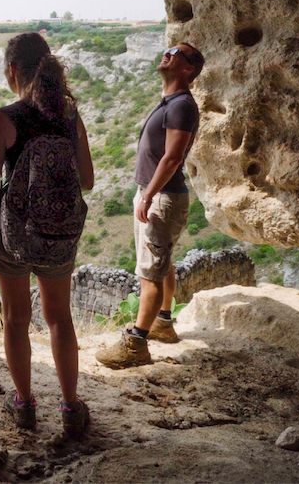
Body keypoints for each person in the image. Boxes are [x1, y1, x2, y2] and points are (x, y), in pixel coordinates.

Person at [0, 32, 94, 436]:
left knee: (15, 319)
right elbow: (88, 181)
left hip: (14, 238)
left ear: (12, 71)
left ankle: (25, 405)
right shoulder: (69, 116)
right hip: (59, 235)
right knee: (60, 318)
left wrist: (10, 224)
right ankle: (69, 407)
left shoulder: (4, 119)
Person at [95, 42, 204, 369]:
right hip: (159, 195)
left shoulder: (182, 105)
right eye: (169, 48)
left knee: (150, 274)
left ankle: (136, 344)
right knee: (162, 262)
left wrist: (148, 195)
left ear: (188, 69)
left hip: (161, 197)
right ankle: (163, 323)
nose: (168, 52)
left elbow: (172, 157)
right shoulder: (172, 102)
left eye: (178, 52)